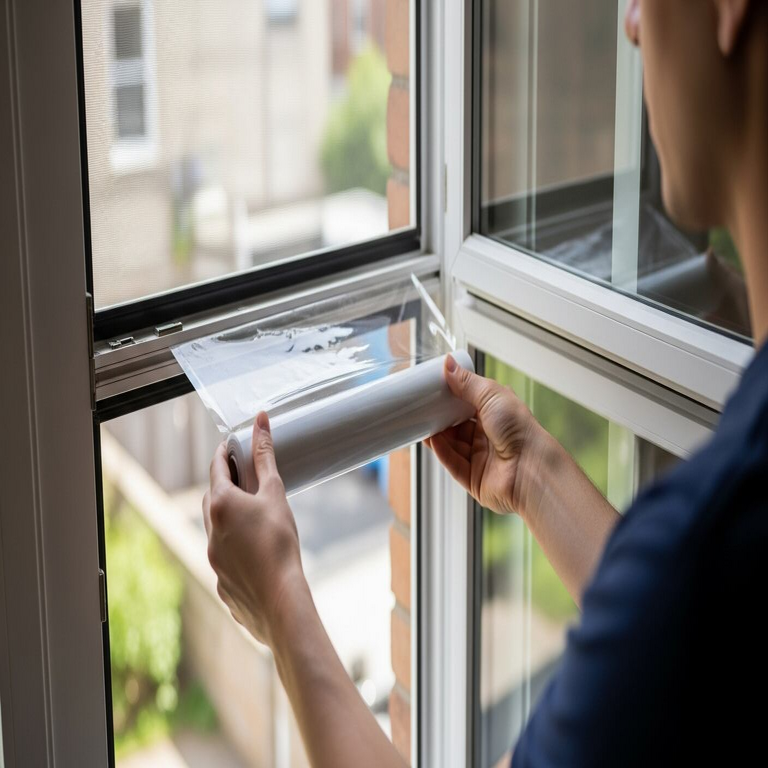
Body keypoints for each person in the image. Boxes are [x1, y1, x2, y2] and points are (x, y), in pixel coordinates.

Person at [203, 1, 768, 764]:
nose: (632, 25)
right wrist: (535, 473)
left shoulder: (706, 535)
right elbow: (700, 641)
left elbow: (677, 609)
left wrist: (281, 604)